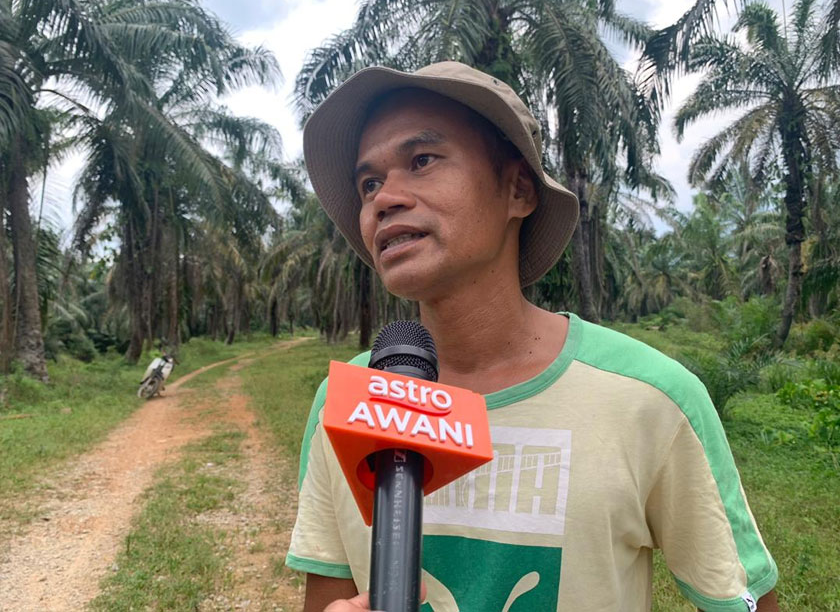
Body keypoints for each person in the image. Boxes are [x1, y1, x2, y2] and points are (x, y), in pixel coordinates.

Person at [286, 62, 779, 612]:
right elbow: (328, 598)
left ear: (518, 189)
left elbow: (740, 596)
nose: (385, 198)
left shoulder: (651, 399)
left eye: (422, 161)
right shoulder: (347, 398)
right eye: (369, 183)